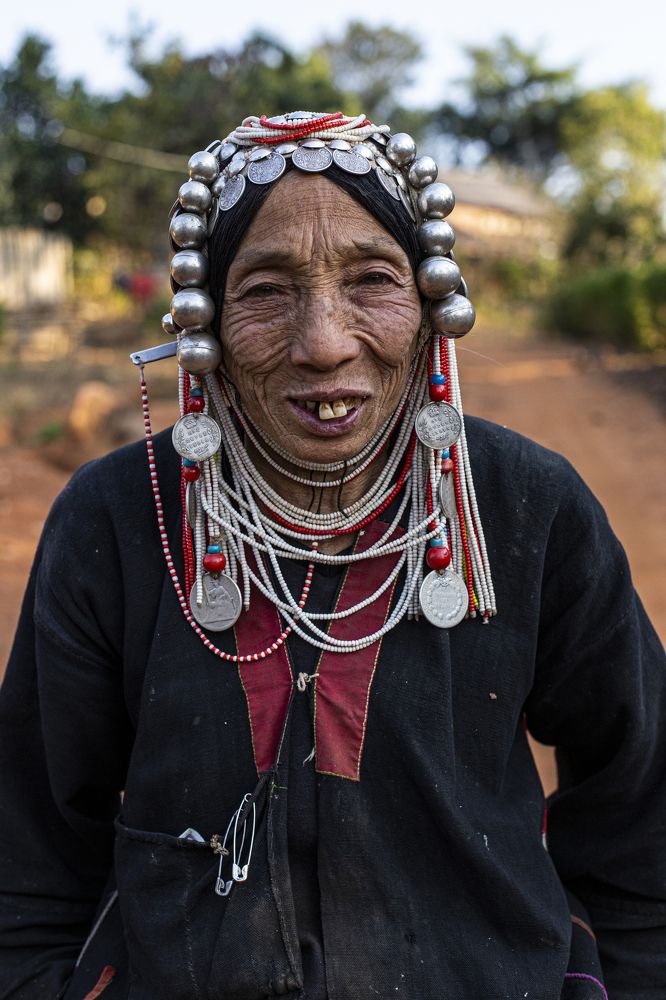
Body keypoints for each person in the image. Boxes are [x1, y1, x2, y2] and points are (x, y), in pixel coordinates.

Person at [0, 110, 664, 1000]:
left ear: (432, 307)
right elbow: (30, 856)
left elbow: (642, 813)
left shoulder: (524, 506)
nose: (324, 341)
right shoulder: (121, 518)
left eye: (373, 281)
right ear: (209, 323)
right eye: (267, 290)